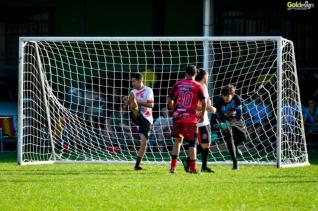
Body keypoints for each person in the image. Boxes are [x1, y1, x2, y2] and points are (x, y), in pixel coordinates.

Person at [168, 65, 207, 174]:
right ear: (196, 74)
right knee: (192, 143)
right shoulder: (198, 86)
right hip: (190, 118)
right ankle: (193, 168)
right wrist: (203, 114)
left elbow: (169, 100)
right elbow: (204, 102)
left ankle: (173, 167)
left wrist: (174, 108)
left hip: (178, 116)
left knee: (177, 140)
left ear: (185, 73)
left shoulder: (178, 84)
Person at [181, 68, 216, 173]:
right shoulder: (196, 87)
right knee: (203, 144)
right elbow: (194, 106)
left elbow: (207, 102)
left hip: (205, 120)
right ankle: (188, 160)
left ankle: (204, 166)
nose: (208, 77)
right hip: (198, 121)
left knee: (207, 143)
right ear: (204, 76)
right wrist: (209, 108)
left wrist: (209, 106)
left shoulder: (204, 87)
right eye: (207, 75)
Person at [211, 84, 246, 170]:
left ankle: (235, 146)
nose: (225, 98)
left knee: (243, 136)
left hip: (234, 119)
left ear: (233, 95)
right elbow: (213, 119)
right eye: (223, 96)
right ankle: (235, 163)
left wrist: (229, 123)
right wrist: (213, 134)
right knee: (229, 138)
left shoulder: (237, 99)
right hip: (222, 120)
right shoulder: (218, 103)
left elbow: (238, 116)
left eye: (227, 96)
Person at [124, 73, 154, 170]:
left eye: (134, 81)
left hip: (146, 119)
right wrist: (126, 102)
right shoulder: (133, 91)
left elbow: (151, 105)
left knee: (144, 142)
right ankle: (134, 106)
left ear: (140, 81)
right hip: (136, 116)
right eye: (132, 81)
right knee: (132, 99)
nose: (132, 83)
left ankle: (137, 165)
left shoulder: (148, 90)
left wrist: (136, 102)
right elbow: (127, 105)